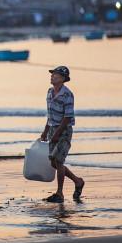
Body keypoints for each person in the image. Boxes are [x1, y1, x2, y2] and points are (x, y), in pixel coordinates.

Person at [40, 65, 84, 203]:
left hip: (64, 130)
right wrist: (45, 131)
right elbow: (50, 114)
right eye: (52, 74)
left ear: (63, 79)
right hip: (53, 128)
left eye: (55, 75)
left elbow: (68, 117)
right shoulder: (49, 92)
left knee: (59, 161)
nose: (52, 76)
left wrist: (58, 134)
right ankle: (77, 181)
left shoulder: (67, 94)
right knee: (53, 162)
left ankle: (59, 193)